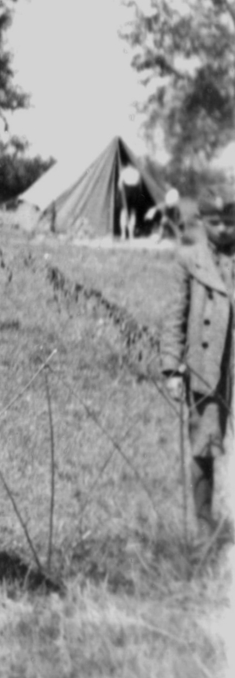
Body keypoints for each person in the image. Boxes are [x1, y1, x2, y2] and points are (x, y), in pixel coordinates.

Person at [162, 192, 235, 538]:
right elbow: (175, 315)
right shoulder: (189, 260)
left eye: (230, 222)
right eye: (216, 222)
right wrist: (172, 368)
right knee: (205, 442)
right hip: (208, 368)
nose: (223, 229)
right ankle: (206, 522)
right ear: (202, 222)